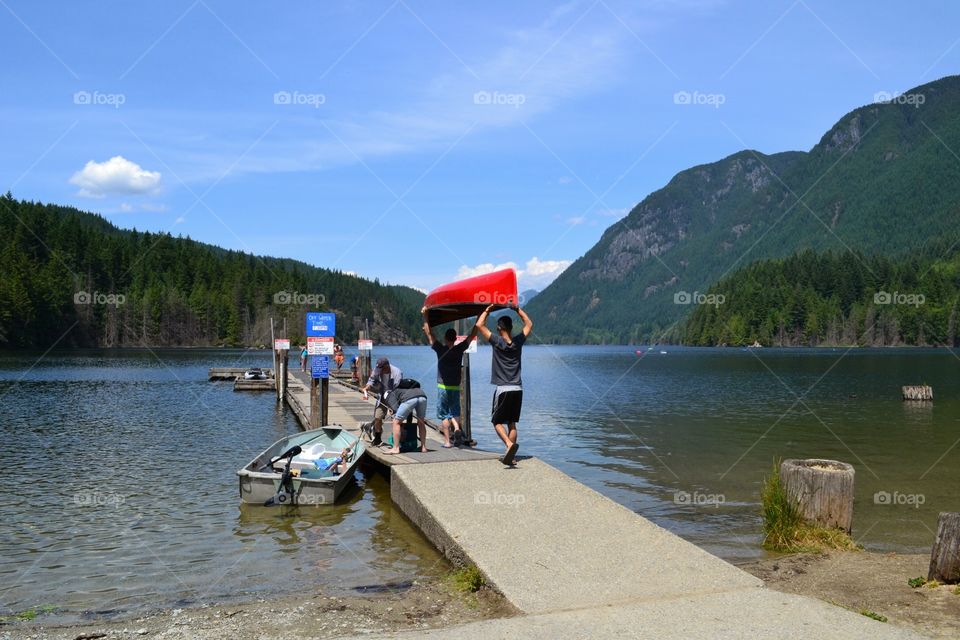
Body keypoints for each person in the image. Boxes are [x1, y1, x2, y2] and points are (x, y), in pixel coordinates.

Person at [475, 304, 533, 466]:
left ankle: (509, 445)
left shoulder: (496, 341)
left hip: (503, 389)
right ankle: (511, 456)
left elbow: (479, 325)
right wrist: (517, 309)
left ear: (500, 328)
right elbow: (529, 324)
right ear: (511, 327)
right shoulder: (518, 341)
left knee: (496, 421)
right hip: (518, 389)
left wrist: (487, 310)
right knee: (512, 423)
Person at [421, 307, 477, 448]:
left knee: (444, 415)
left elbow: (429, 333)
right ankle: (457, 429)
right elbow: (472, 335)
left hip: (442, 387)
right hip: (455, 386)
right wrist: (480, 318)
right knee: (455, 411)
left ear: (446, 338)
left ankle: (447, 442)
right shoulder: (459, 350)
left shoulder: (440, 349)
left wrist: (425, 315)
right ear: (455, 338)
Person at [359, 357, 402, 446]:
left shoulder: (397, 372)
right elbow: (371, 380)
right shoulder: (377, 369)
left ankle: (396, 441)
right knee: (378, 417)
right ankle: (377, 438)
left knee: (395, 419)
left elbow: (398, 390)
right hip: (381, 395)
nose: (380, 371)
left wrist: (393, 405)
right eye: (379, 369)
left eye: (382, 369)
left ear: (387, 366)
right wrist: (367, 387)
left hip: (393, 396)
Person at [382, 383, 429, 454]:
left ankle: (396, 448)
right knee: (421, 422)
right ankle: (423, 447)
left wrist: (397, 420)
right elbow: (408, 412)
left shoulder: (389, 395)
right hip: (422, 396)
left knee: (395, 422)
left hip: (410, 398)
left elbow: (395, 410)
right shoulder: (400, 390)